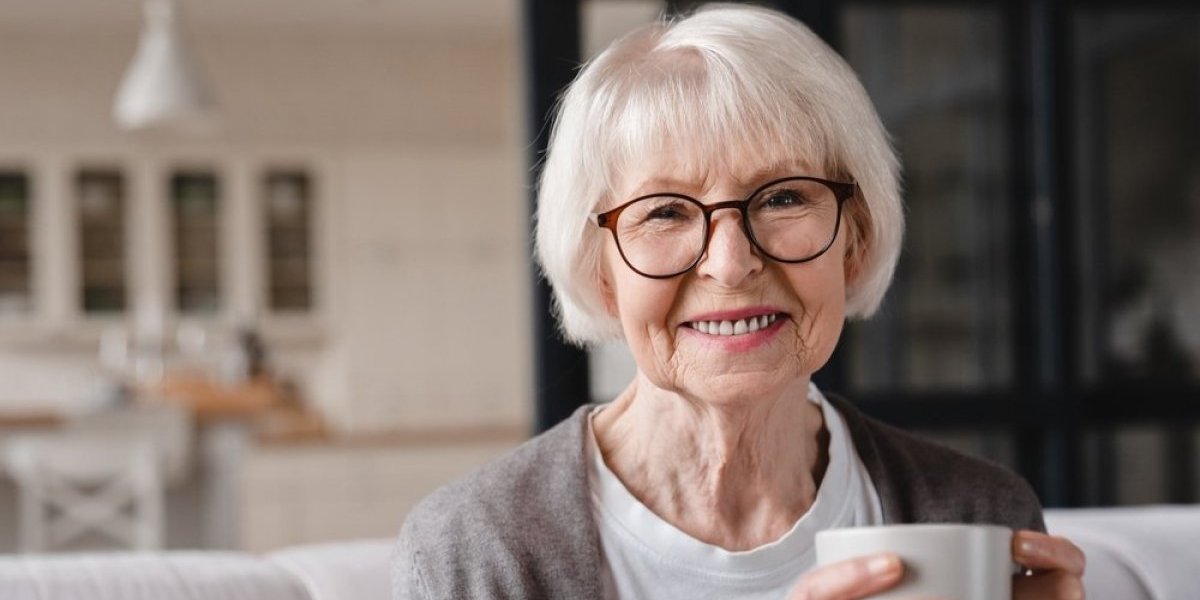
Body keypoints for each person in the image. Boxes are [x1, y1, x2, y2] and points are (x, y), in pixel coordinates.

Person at [392, 4, 1085, 599]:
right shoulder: (475, 551)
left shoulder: (975, 513)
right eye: (665, 211)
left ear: (855, 241)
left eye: (783, 198)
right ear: (600, 271)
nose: (730, 264)